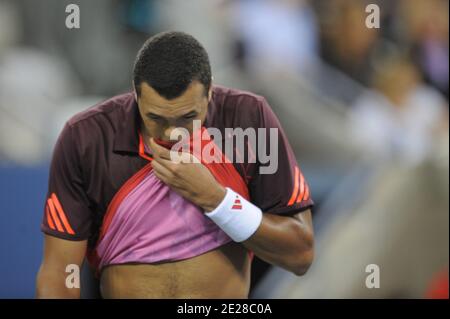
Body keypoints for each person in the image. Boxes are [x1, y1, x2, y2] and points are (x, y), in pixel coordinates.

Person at [35, 31, 314, 298]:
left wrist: (215, 200)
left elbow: (300, 255)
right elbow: (59, 272)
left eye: (187, 116)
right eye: (156, 118)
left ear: (210, 92)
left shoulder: (249, 119)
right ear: (136, 94)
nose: (172, 133)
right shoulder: (86, 138)